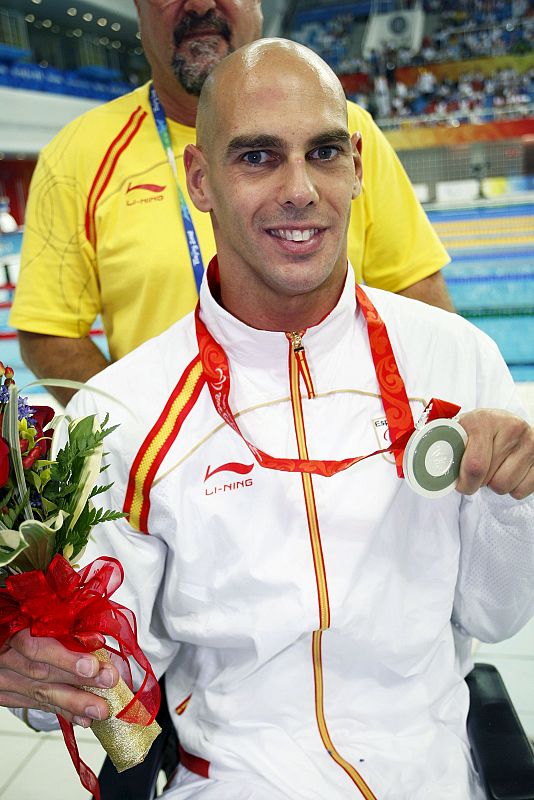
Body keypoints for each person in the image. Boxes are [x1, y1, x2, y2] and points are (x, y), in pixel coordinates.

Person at [2, 40, 533, 800]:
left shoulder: (457, 361)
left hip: (435, 774)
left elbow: (498, 612)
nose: (300, 190)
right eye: (257, 157)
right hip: (234, 782)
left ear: (356, 166)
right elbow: (101, 670)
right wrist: (36, 657)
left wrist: (518, 503)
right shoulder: (125, 415)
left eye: (323, 153)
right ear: (200, 180)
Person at [9, 0, 454, 408]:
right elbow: (49, 330)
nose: (201, 4)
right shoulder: (79, 154)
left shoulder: (340, 127)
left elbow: (418, 294)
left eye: (320, 154)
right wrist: (137, 431)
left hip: (348, 444)